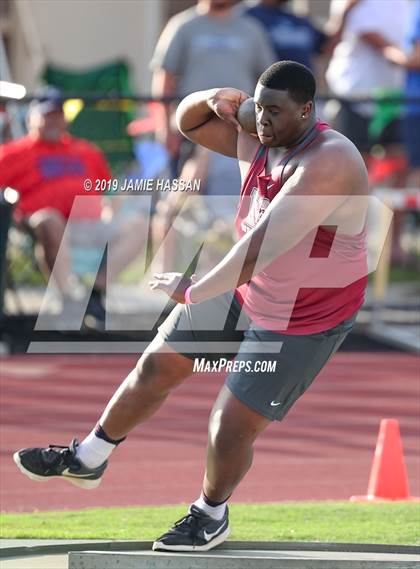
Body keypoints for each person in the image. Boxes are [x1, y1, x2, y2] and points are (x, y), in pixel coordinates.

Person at [13, 61, 369, 552]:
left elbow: (257, 249)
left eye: (274, 112)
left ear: (307, 111)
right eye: (257, 109)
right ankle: (89, 457)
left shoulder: (329, 161)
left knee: (228, 425)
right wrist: (211, 96)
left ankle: (210, 514)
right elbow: (190, 122)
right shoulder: (259, 126)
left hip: (304, 315)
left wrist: (193, 289)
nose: (261, 122)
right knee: (156, 366)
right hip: (252, 288)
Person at [0, 88, 147, 326]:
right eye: (47, 114)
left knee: (138, 224)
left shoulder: (87, 151)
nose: (54, 120)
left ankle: (95, 295)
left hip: (90, 223)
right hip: (41, 225)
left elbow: (108, 192)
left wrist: (113, 206)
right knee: (50, 219)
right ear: (32, 118)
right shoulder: (13, 153)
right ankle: (68, 299)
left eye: (58, 114)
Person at [325, 0, 411, 157]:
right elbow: (379, 43)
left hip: (392, 97)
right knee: (355, 159)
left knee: (397, 160)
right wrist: (409, 60)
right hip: (354, 95)